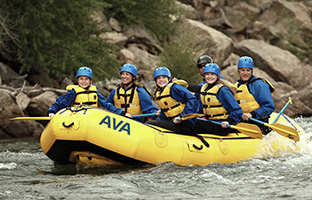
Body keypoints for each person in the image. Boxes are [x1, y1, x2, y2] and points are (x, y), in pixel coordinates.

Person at [48, 67, 130, 118]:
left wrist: (122, 113)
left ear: (91, 81)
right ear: (77, 80)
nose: (84, 82)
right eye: (81, 79)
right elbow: (61, 102)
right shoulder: (74, 92)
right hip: (79, 118)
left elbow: (106, 104)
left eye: (86, 79)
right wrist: (52, 111)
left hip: (92, 118)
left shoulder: (94, 91)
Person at [146, 67, 199, 134]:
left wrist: (182, 117)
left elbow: (192, 100)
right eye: (158, 78)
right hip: (174, 123)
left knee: (149, 123)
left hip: (185, 123)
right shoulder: (160, 93)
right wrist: (159, 120)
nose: (161, 80)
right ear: (156, 81)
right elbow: (166, 111)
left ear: (169, 79)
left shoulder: (175, 87)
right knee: (150, 124)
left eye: (164, 77)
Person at [194, 63, 242, 136]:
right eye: (207, 74)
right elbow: (201, 110)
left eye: (212, 74)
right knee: (189, 121)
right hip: (210, 122)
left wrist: (229, 121)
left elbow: (237, 110)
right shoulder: (204, 89)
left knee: (193, 124)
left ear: (217, 76)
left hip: (222, 125)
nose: (209, 77)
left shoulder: (222, 90)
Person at [234, 56, 275, 134]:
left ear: (252, 71)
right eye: (242, 70)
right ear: (238, 71)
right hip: (241, 121)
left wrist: (252, 114)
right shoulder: (235, 85)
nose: (245, 73)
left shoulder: (259, 85)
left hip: (258, 121)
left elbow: (269, 106)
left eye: (248, 70)